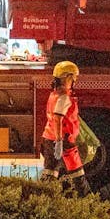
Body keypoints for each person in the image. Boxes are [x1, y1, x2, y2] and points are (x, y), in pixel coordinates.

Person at [43, 60, 86, 193]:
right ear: (68, 78)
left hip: (49, 138)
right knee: (77, 174)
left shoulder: (53, 95)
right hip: (65, 141)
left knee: (50, 173)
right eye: (74, 78)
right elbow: (57, 118)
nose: (75, 81)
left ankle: (43, 198)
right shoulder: (64, 98)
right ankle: (87, 200)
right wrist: (60, 141)